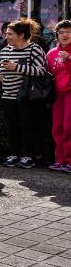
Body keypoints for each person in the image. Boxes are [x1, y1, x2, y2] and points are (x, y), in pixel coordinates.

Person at [0, 19, 48, 169]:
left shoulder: (34, 49)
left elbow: (42, 70)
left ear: (21, 35)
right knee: (13, 127)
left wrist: (17, 67)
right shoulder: (6, 49)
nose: (6, 37)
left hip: (26, 96)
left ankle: (28, 156)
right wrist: (0, 76)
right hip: (8, 95)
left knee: (27, 127)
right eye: (6, 34)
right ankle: (14, 154)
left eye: (10, 34)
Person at [47, 20, 71, 172]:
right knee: (57, 128)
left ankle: (69, 161)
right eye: (61, 32)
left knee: (69, 127)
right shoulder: (51, 53)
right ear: (57, 35)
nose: (64, 35)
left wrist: (68, 59)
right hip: (57, 95)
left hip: (69, 93)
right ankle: (60, 160)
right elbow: (47, 75)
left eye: (68, 31)